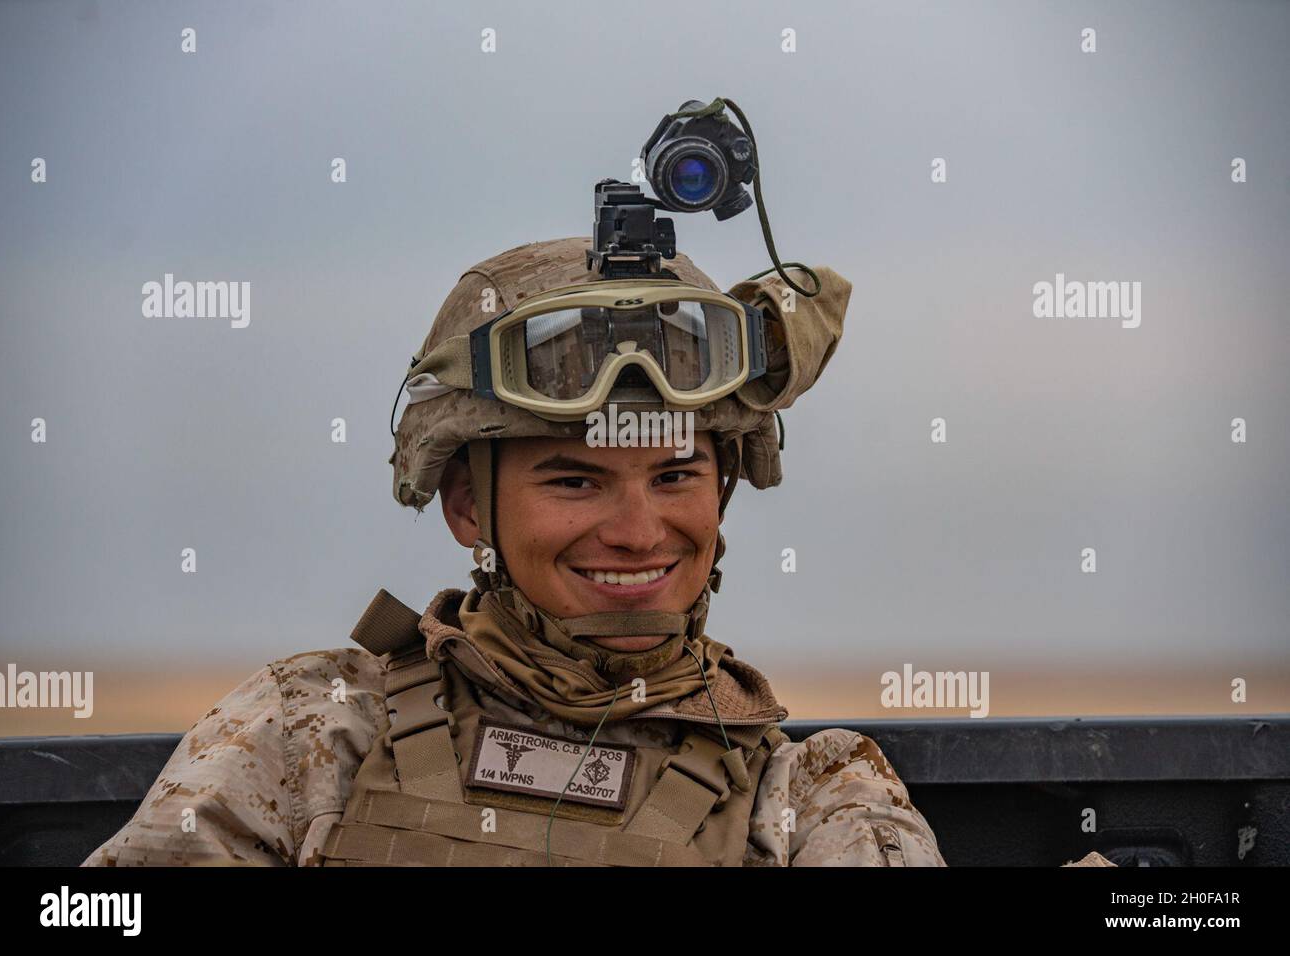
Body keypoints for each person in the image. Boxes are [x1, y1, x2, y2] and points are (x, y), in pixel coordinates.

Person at [83, 236, 1109, 867]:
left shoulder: (805, 797)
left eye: (674, 475)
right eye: (573, 479)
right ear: (466, 507)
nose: (635, 529)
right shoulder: (309, 731)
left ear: (723, 490)